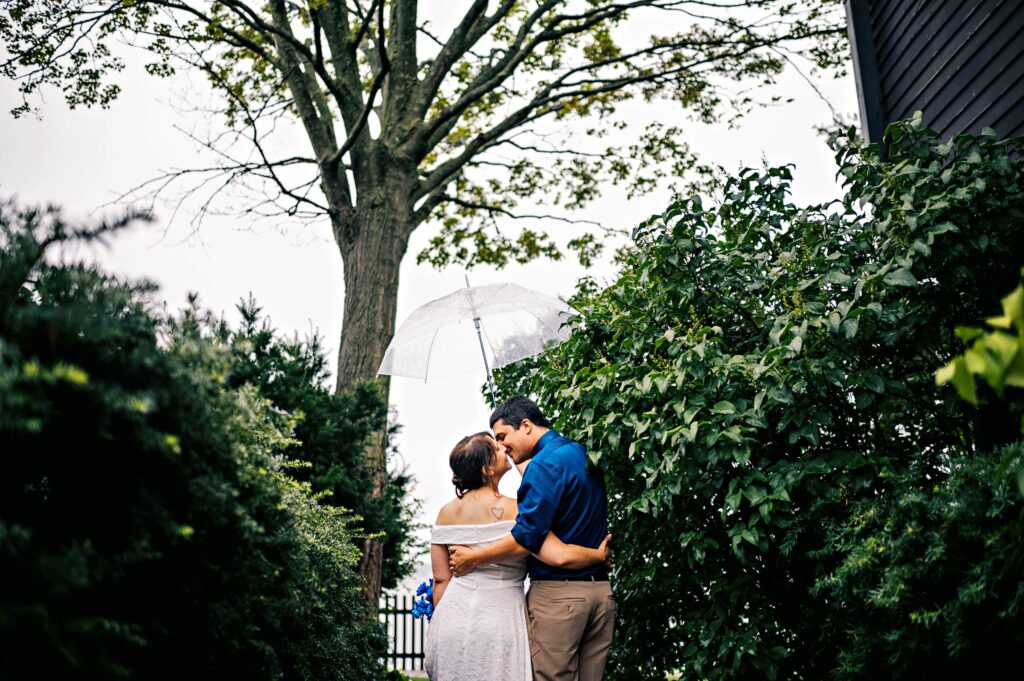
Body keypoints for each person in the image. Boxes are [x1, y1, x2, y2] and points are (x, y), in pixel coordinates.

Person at [449, 396, 614, 681]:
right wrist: (599, 557)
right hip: (600, 594)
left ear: (525, 425)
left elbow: (526, 539)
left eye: (502, 436)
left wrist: (474, 557)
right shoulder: (581, 453)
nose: (500, 447)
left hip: (559, 599)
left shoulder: (542, 467)